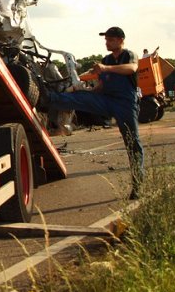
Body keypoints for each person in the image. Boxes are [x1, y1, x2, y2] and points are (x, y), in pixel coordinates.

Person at [43, 26, 144, 198]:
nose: (107, 42)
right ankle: (47, 97)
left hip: (126, 102)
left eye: (111, 39)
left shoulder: (128, 55)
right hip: (106, 99)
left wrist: (105, 68)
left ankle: (137, 185)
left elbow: (131, 69)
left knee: (132, 141)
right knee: (80, 97)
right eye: (106, 39)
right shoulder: (105, 60)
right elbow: (100, 87)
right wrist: (82, 91)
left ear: (121, 40)